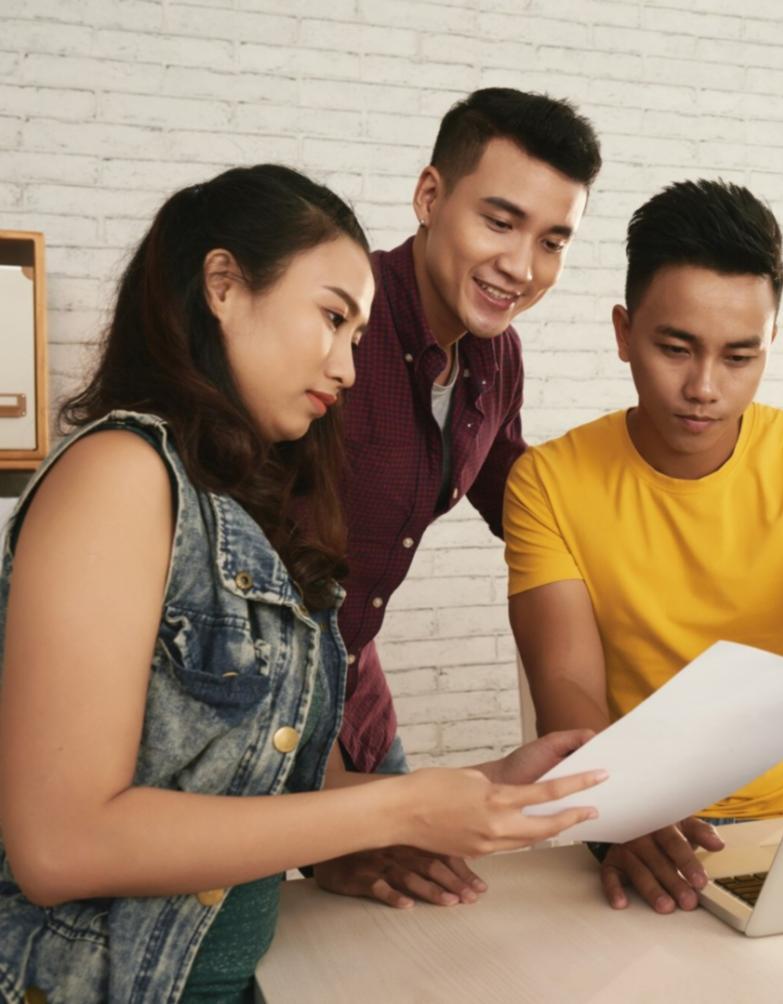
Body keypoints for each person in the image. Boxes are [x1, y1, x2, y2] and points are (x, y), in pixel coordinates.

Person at [0, 165, 603, 1004]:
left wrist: (491, 779)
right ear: (224, 286)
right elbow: (60, 845)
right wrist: (398, 811)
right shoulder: (119, 475)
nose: (349, 368)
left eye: (357, 335)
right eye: (330, 318)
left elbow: (231, 771)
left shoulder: (238, 501)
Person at [503, 179, 783, 915]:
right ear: (622, 332)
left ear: (771, 342)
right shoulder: (547, 481)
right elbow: (567, 686)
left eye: (740, 356)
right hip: (638, 818)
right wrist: (624, 806)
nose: (704, 387)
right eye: (675, 348)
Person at [312, 88, 602, 909]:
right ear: (430, 197)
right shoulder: (339, 322)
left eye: (553, 241)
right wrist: (328, 817)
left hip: (358, 703)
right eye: (500, 222)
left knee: (429, 920)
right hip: (258, 713)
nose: (522, 266)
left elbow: (530, 509)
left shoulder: (496, 359)